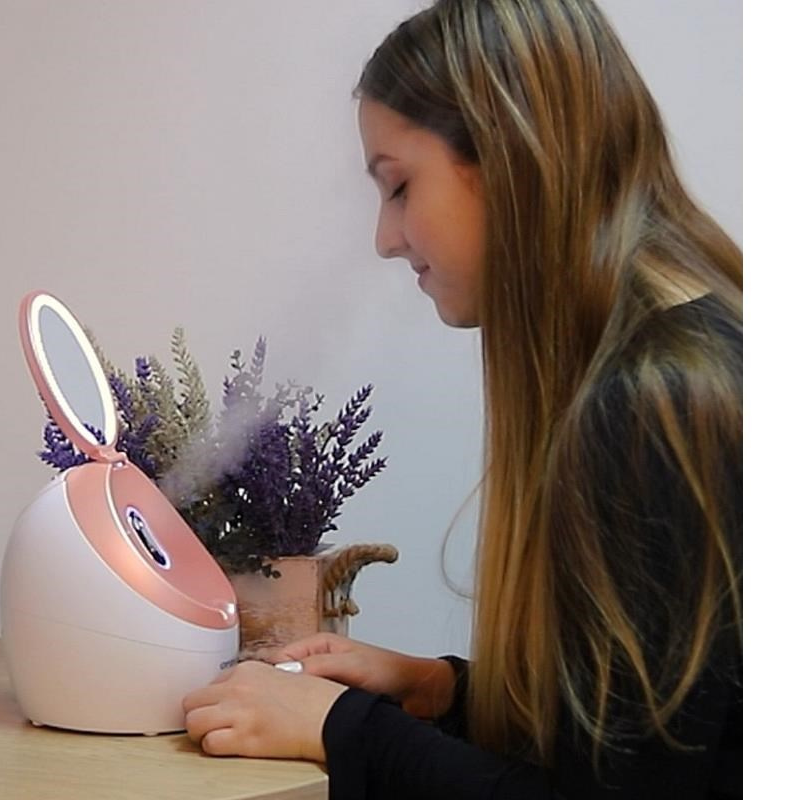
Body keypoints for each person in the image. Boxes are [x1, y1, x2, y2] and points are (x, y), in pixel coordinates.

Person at [181, 0, 742, 797]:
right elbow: (651, 751)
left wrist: (343, 729)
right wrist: (444, 692)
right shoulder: (699, 350)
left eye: (400, 186)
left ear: (511, 153)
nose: (385, 238)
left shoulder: (658, 405)